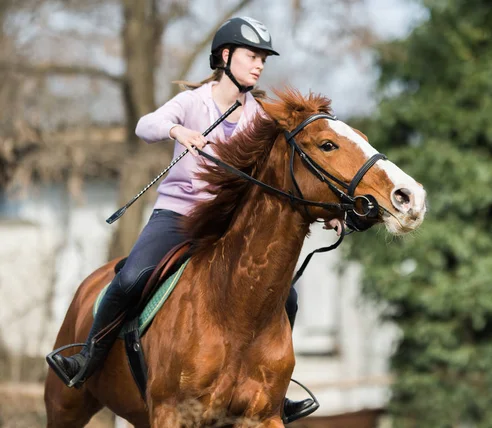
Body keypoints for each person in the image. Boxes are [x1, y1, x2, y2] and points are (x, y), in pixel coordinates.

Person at [45, 16, 338, 423]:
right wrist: (176, 131)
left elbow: (282, 176)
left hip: (229, 226)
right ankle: (89, 356)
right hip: (178, 216)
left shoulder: (259, 117)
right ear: (225, 55)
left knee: (286, 295)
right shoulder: (194, 102)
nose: (259, 66)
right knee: (130, 278)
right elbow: (144, 125)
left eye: (263, 60)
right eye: (252, 56)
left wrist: (326, 211)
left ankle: (274, 390)